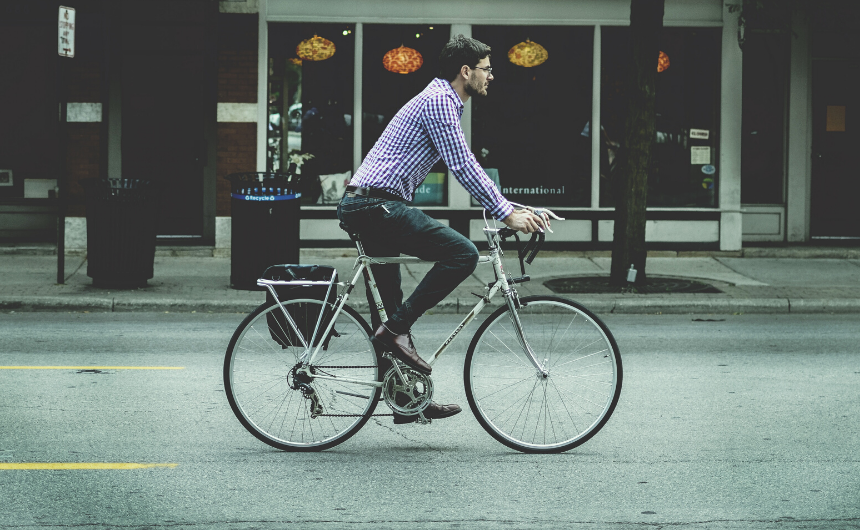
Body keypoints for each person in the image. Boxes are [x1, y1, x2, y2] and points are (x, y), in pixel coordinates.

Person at [337, 34, 549, 424]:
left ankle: (404, 397)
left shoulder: (443, 101)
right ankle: (394, 334)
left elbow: (465, 165)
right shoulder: (439, 102)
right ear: (465, 71)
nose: (491, 76)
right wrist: (506, 214)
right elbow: (463, 165)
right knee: (462, 254)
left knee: (391, 303)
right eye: (487, 68)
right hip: (375, 205)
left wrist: (517, 208)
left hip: (373, 204)